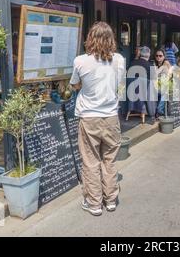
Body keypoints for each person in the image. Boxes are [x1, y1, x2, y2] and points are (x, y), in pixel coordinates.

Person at [70, 22, 125, 216]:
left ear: (90, 38)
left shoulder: (80, 61)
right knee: (109, 160)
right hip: (111, 116)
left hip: (89, 117)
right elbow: (120, 86)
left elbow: (75, 85)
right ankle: (110, 200)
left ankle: (94, 203)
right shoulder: (119, 60)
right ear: (111, 39)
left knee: (90, 161)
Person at [127, 46, 156, 123]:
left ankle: (132, 109)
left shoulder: (132, 63)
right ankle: (153, 113)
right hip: (143, 93)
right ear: (149, 54)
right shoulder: (150, 65)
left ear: (140, 54)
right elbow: (154, 80)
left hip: (130, 92)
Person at [154, 49, 172, 117]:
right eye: (157, 55)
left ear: (164, 56)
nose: (158, 57)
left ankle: (159, 111)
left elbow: (170, 73)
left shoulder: (166, 63)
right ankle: (159, 111)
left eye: (160, 56)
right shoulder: (155, 63)